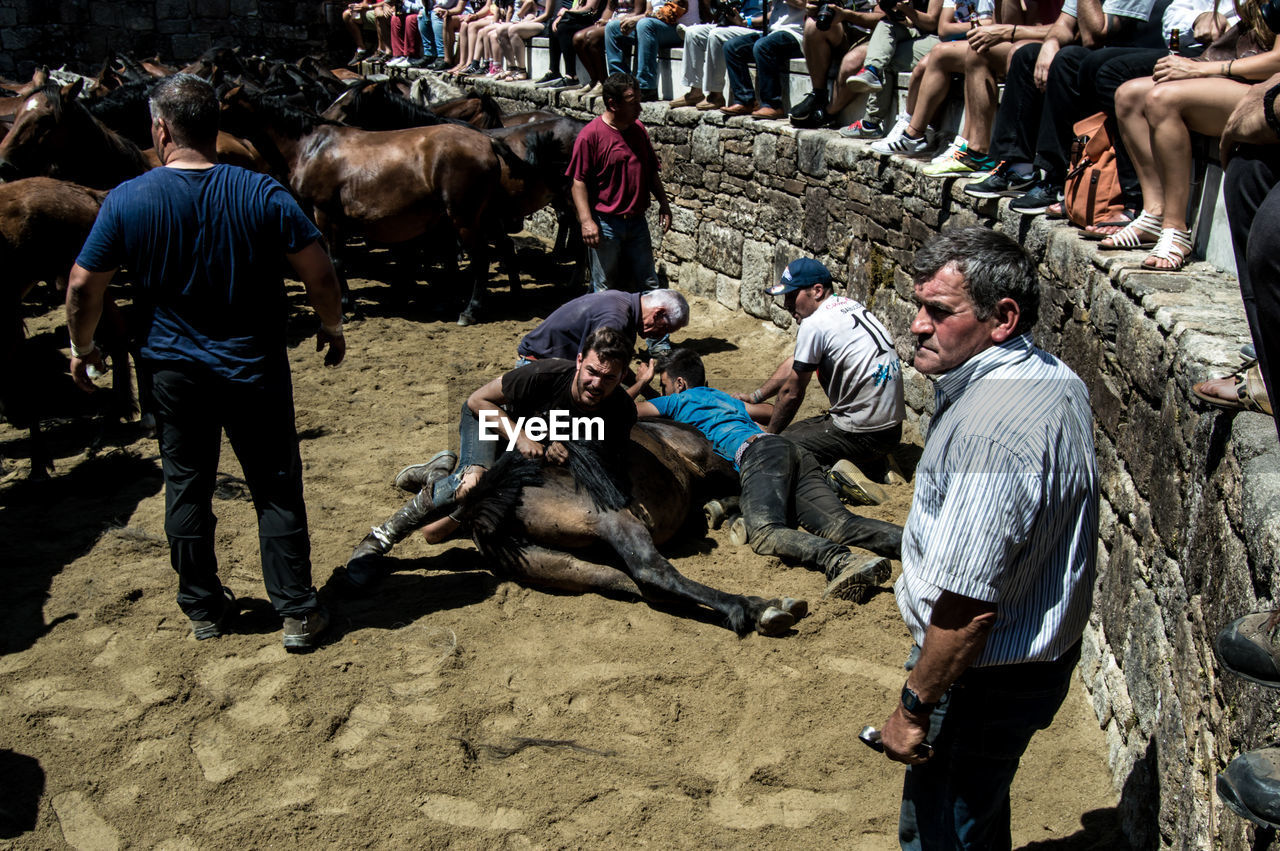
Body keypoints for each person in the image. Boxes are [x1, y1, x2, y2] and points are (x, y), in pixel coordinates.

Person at [64, 74, 347, 651]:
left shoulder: (127, 199)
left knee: (186, 486)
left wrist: (83, 347)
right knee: (274, 485)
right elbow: (319, 272)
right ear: (215, 128)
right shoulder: (261, 192)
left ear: (160, 129)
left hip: (172, 370)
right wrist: (331, 324)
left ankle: (203, 608)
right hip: (253, 366)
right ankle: (296, 610)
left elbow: (82, 286)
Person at [872, 227, 1098, 850]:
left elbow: (968, 609)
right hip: (1028, 660)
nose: (917, 326)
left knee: (941, 831)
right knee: (976, 807)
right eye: (919, 307)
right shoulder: (1050, 376)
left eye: (939, 312)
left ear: (1003, 318)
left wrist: (913, 706)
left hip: (980, 676)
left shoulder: (988, 431)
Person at [347, 327, 638, 569]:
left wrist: (566, 447)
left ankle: (436, 472)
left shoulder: (622, 409)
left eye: (609, 377)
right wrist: (521, 436)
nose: (596, 384)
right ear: (578, 361)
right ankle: (380, 538)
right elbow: (477, 402)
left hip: (527, 450)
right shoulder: (543, 375)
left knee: (437, 532)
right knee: (472, 482)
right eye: (591, 372)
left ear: (623, 375)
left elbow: (606, 454)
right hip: (490, 422)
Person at [634, 349, 902, 599]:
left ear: (679, 384)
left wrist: (637, 383)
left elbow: (626, 412)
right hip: (791, 449)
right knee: (841, 523)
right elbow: (771, 412)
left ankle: (840, 560)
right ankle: (912, 544)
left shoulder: (677, 400)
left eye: (663, 385)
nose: (662, 392)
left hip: (759, 456)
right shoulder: (724, 398)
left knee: (764, 533)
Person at [736, 258, 905, 499]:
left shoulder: (814, 323)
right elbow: (797, 361)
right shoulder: (847, 306)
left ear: (817, 291)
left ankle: (840, 478)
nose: (787, 305)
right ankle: (878, 463)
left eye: (792, 296)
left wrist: (769, 436)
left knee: (783, 448)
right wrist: (756, 396)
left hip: (863, 433)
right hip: (892, 431)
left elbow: (792, 393)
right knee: (802, 429)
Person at [567, 73, 676, 353]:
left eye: (638, 99)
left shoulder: (638, 130)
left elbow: (651, 172)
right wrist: (586, 220)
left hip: (637, 222)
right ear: (612, 103)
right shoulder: (591, 136)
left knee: (649, 284)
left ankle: (658, 344)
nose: (639, 106)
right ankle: (605, 346)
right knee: (604, 289)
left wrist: (663, 203)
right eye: (632, 101)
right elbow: (577, 181)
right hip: (606, 224)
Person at [516, 288, 689, 364]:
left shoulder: (623, 302)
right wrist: (642, 383)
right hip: (536, 365)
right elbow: (597, 368)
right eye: (665, 329)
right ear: (658, 313)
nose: (660, 336)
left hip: (547, 359)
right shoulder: (617, 320)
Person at [667, 0, 765, 110]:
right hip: (733, 25)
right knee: (692, 33)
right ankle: (696, 92)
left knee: (716, 35)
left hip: (755, 29)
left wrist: (747, 21)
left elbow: (772, 16)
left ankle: (716, 94)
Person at [721, 0, 808, 118]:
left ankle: (773, 105)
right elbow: (771, 13)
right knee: (732, 47)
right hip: (772, 32)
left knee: (763, 46)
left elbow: (804, 4)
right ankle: (745, 101)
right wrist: (745, 21)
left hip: (796, 34)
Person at [604, 0, 705, 101]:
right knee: (612, 28)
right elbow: (648, 11)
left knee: (645, 24)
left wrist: (638, 19)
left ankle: (646, 87)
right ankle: (620, 84)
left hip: (680, 29)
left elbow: (674, 11)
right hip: (656, 26)